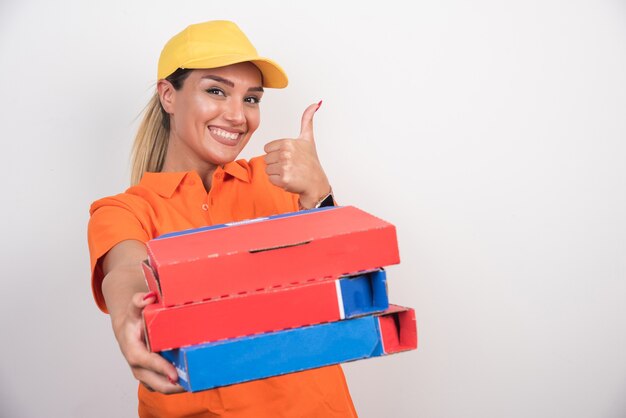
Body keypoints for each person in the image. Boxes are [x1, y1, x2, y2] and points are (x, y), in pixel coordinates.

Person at [87, 20, 357, 417]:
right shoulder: (125, 210)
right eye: (216, 91)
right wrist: (132, 314)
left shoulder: (279, 181)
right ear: (168, 96)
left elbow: (351, 290)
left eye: (251, 99)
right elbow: (126, 270)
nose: (237, 115)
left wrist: (320, 195)